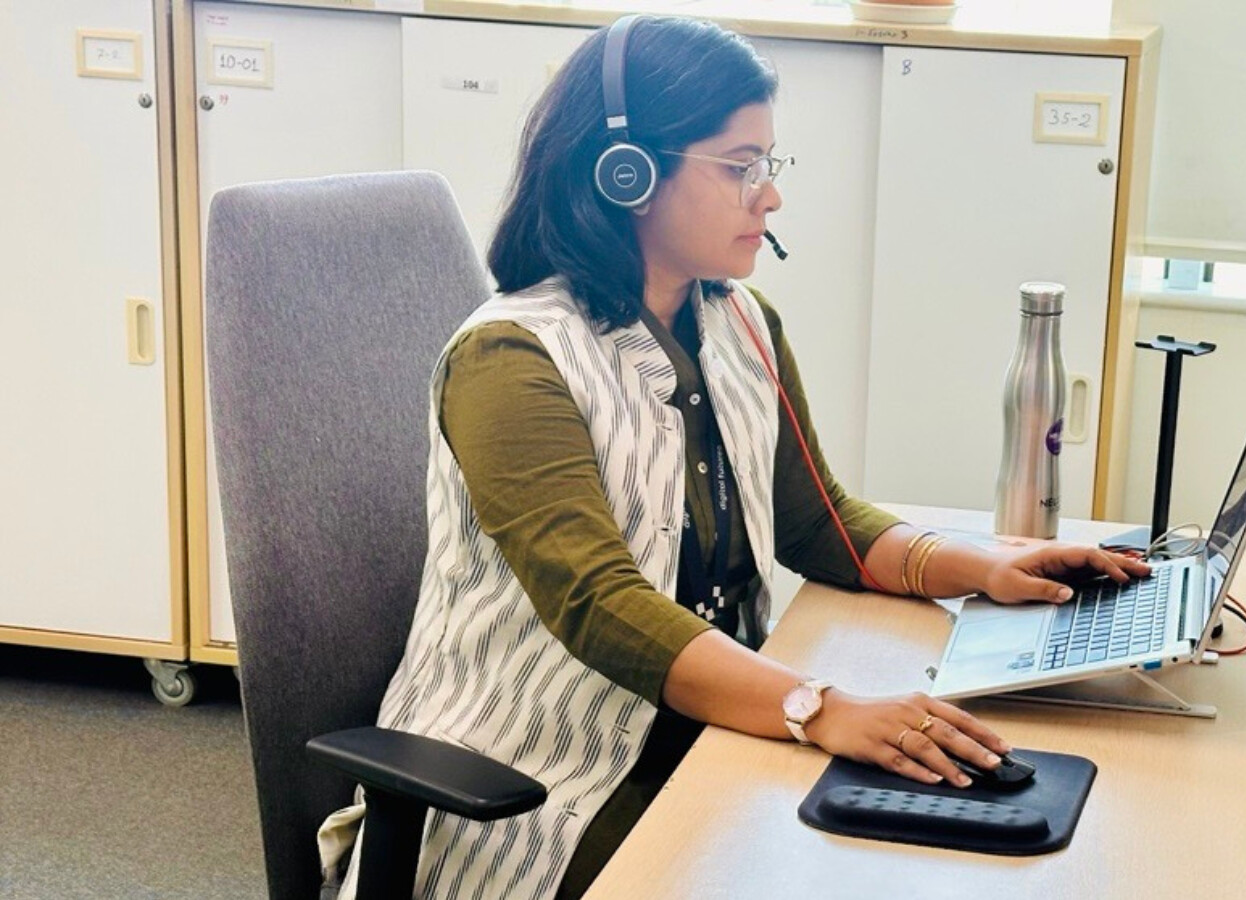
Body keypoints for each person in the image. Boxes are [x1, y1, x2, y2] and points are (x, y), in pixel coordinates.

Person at [319, 15, 1148, 899]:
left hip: (710, 734)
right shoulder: (513, 360)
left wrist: (985, 567)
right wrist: (820, 709)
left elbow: (816, 519)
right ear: (625, 173)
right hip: (539, 786)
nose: (769, 195)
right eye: (738, 166)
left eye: (769, 164)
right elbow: (600, 605)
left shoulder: (740, 325)